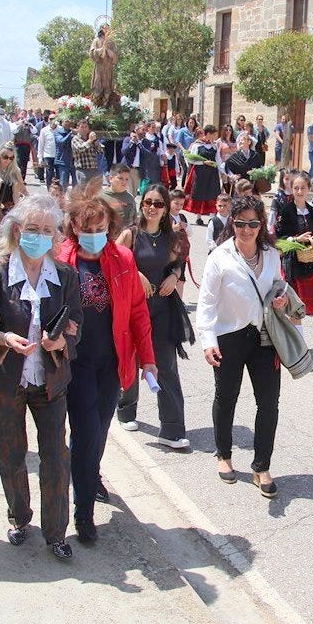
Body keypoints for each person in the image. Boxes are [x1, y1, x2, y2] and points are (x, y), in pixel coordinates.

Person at [0, 194, 80, 560]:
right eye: (33, 229)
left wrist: (61, 339)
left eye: (48, 230)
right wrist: (0, 335)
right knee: (11, 454)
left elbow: (77, 324)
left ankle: (56, 532)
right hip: (5, 380)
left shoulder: (65, 276)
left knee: (55, 456)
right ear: (17, 230)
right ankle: (19, 517)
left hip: (49, 381)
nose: (40, 236)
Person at [60, 181, 156, 537]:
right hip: (75, 362)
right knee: (85, 431)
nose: (95, 235)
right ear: (74, 228)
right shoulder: (60, 259)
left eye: (101, 230)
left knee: (100, 429)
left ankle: (87, 477)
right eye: (88, 230)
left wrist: (148, 359)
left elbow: (137, 312)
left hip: (111, 362)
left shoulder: (122, 259)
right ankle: (83, 511)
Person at [197, 195, 291, 498]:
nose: (247, 229)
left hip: (264, 337)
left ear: (261, 224)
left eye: (253, 223)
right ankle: (224, 455)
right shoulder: (219, 257)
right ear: (232, 223)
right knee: (226, 397)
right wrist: (208, 341)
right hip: (229, 337)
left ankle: (261, 466)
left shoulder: (272, 254)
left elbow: (279, 286)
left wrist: (282, 298)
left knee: (269, 402)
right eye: (240, 223)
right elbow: (207, 303)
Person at [114, 184, 191, 448]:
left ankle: (172, 429)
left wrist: (174, 275)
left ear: (166, 207)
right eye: (148, 202)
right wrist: (134, 273)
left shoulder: (170, 238)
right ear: (141, 204)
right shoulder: (131, 235)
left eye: (159, 203)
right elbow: (111, 260)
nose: (152, 208)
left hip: (162, 309)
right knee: (132, 360)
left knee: (166, 365)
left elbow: (178, 261)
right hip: (133, 309)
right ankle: (125, 410)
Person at [274, 172, 313, 317]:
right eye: (296, 188)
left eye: (303, 188)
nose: (299, 191)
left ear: (309, 189)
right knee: (293, 310)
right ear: (291, 189)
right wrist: (296, 240)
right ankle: (295, 337)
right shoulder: (285, 212)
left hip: (312, 263)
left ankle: (297, 337)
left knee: (307, 309)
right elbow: (279, 240)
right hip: (293, 265)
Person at [182, 125, 221, 224]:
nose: (215, 137)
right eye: (213, 134)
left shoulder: (214, 146)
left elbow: (218, 160)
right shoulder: (197, 145)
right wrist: (203, 162)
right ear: (207, 134)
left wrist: (223, 172)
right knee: (200, 193)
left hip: (212, 174)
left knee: (213, 194)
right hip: (200, 173)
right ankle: (198, 217)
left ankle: (212, 217)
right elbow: (190, 159)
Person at [101, 163, 137, 228]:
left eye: (127, 179)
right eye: (120, 178)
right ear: (110, 179)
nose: (124, 182)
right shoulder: (101, 198)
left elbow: (134, 220)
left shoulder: (130, 198)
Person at [54, 118, 77, 190]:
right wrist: (70, 134)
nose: (68, 123)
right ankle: (62, 199)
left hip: (75, 161)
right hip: (63, 161)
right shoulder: (57, 132)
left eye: (69, 121)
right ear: (62, 123)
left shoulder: (75, 132)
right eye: (66, 122)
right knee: (63, 184)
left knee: (76, 184)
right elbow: (61, 142)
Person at [37, 114, 58, 187]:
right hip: (48, 156)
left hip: (58, 156)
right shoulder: (44, 130)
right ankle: (49, 191)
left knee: (58, 176)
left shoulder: (60, 129)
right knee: (49, 175)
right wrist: (40, 158)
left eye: (54, 119)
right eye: (51, 119)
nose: (53, 121)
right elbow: (41, 145)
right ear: (48, 120)